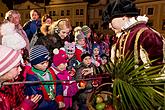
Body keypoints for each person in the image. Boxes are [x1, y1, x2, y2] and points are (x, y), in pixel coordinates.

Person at [102, 0, 165, 67]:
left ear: (123, 17)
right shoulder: (123, 35)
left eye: (110, 21)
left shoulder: (147, 34)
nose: (109, 26)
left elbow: (157, 68)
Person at [0, 45, 41, 110]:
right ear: (4, 69)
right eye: (17, 66)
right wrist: (24, 108)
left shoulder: (10, 85)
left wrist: (29, 103)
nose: (20, 69)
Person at [24, 45, 65, 109]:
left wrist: (59, 98)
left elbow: (58, 84)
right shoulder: (31, 79)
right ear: (34, 63)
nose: (46, 65)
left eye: (47, 61)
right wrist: (56, 105)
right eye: (42, 63)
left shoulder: (50, 71)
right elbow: (38, 101)